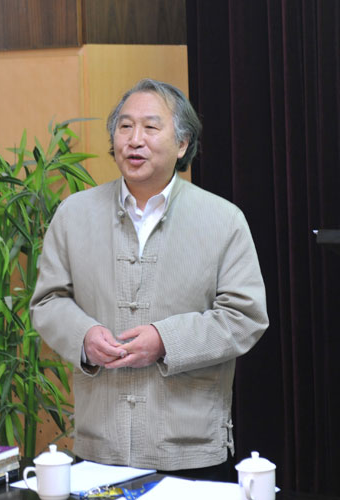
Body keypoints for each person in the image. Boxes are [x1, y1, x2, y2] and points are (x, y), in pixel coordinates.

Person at [30, 78, 269, 481]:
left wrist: (165, 341)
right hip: (99, 441)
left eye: (150, 127)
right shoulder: (73, 214)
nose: (134, 139)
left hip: (190, 446)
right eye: (124, 127)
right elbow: (48, 301)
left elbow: (245, 317)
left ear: (182, 144)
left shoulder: (224, 219)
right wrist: (84, 337)